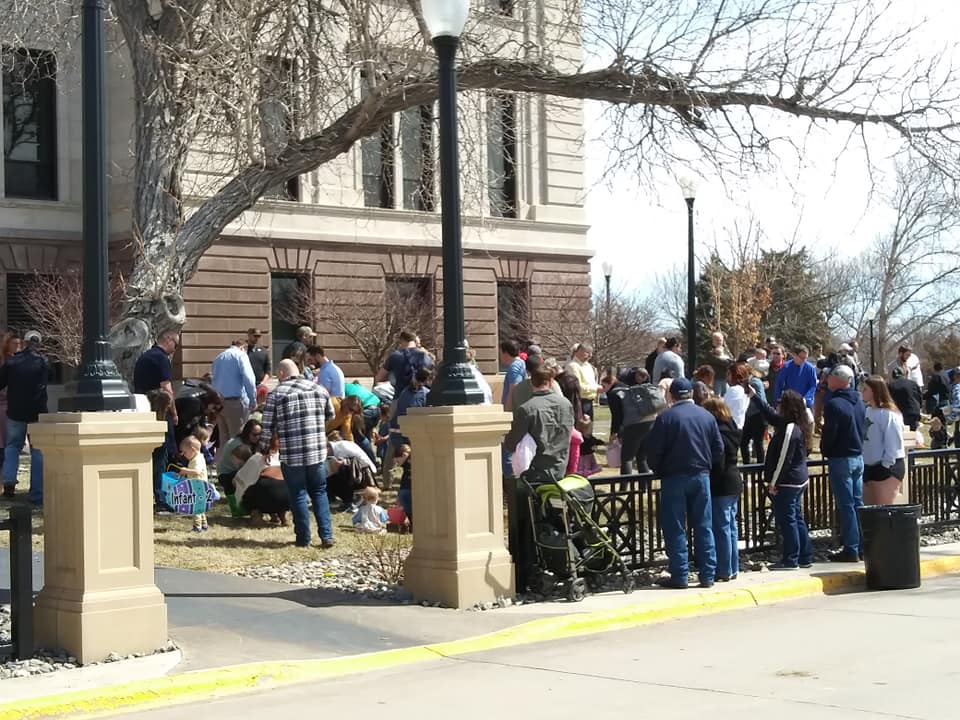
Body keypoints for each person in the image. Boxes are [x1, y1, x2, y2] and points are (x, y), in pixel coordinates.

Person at [645, 377, 724, 589]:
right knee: (703, 526)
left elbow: (653, 452)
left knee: (675, 527)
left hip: (673, 478)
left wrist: (659, 470)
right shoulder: (707, 417)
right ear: (690, 394)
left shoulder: (666, 418)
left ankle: (680, 574)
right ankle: (707, 574)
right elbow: (718, 449)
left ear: (671, 395)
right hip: (701, 476)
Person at [259, 358, 336, 549]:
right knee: (319, 492)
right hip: (317, 451)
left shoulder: (276, 394)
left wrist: (264, 449)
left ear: (282, 374)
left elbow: (267, 427)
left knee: (298, 494)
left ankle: (304, 539)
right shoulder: (319, 389)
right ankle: (326, 536)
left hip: (292, 454)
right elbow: (331, 415)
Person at [752, 388, 814, 570]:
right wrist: (755, 396)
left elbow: (783, 459)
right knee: (797, 518)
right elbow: (771, 415)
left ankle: (791, 558)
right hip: (798, 480)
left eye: (781, 403)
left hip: (788, 482)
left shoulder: (789, 430)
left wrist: (773, 482)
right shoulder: (796, 425)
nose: (777, 406)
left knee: (788, 521)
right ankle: (805, 555)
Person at [820, 364, 866, 563]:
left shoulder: (834, 404)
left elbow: (831, 433)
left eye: (829, 377)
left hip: (841, 458)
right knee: (857, 504)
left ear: (839, 379)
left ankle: (851, 548)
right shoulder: (859, 401)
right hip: (857, 456)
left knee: (846, 505)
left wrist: (825, 449)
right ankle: (863, 545)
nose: (827, 380)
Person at [503, 366, 575, 481]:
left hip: (534, 472)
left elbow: (511, 443)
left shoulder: (527, 409)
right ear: (551, 382)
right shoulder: (566, 404)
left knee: (517, 493)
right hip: (560, 467)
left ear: (531, 383)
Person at [134, 328, 180, 507]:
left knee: (149, 455)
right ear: (167, 340)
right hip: (160, 411)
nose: (174, 349)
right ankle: (162, 499)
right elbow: (167, 389)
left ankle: (147, 494)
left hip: (143, 410)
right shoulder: (162, 359)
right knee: (162, 455)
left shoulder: (144, 357)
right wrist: (174, 413)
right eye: (175, 345)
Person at [0, 330, 47, 503]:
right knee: (37, 450)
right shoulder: (43, 361)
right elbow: (49, 379)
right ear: (39, 344)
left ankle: (9, 481)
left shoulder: (12, 362)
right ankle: (36, 494)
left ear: (25, 342)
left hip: (15, 411)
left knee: (12, 446)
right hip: (37, 412)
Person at [701, 397, 742, 582]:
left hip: (722, 483)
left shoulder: (718, 433)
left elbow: (718, 461)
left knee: (722, 527)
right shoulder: (731, 428)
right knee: (730, 527)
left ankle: (724, 569)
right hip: (734, 479)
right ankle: (733, 567)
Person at [861, 376, 906, 506]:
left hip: (886, 468)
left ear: (875, 391)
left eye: (865, 389)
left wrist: (885, 465)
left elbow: (894, 443)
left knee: (883, 510)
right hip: (868, 467)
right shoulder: (867, 411)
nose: (862, 392)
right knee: (868, 511)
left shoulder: (889, 414)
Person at [210, 341, 257, 460]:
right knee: (238, 438)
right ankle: (236, 468)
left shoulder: (218, 357)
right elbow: (249, 379)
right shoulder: (240, 355)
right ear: (243, 347)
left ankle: (222, 467)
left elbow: (213, 379)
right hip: (235, 402)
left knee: (223, 438)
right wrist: (253, 400)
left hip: (219, 402)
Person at [234, 433, 290, 527]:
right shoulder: (287, 457)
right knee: (279, 489)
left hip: (267, 494)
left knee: (250, 491)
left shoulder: (257, 458)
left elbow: (239, 480)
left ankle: (256, 515)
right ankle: (282, 515)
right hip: (287, 498)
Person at [216, 419, 262, 514]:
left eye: (259, 434)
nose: (258, 437)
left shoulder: (250, 443)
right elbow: (247, 468)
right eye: (254, 434)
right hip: (226, 474)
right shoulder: (239, 445)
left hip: (236, 471)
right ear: (247, 433)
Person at [176, 435, 210, 533]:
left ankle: (197, 527)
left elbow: (197, 471)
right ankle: (204, 525)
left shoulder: (197, 460)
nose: (184, 455)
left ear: (193, 449)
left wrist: (186, 470)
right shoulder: (196, 458)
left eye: (185, 452)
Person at [565, 343, 601, 419]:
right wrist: (595, 388)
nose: (590, 355)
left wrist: (599, 388)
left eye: (591, 353)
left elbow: (591, 383)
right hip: (580, 402)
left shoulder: (588, 366)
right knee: (581, 427)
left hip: (589, 401)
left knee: (588, 427)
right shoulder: (573, 366)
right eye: (587, 352)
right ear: (579, 351)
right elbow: (577, 386)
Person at [888, 367, 922, 432]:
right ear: (903, 374)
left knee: (903, 435)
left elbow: (889, 401)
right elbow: (919, 397)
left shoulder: (891, 386)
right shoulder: (913, 383)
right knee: (913, 435)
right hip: (914, 412)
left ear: (893, 376)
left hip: (901, 414)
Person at [722, 361, 751, 429]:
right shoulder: (744, 389)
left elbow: (724, 408)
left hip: (730, 426)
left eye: (729, 374)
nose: (727, 378)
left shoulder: (735, 389)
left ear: (735, 375)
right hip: (738, 425)